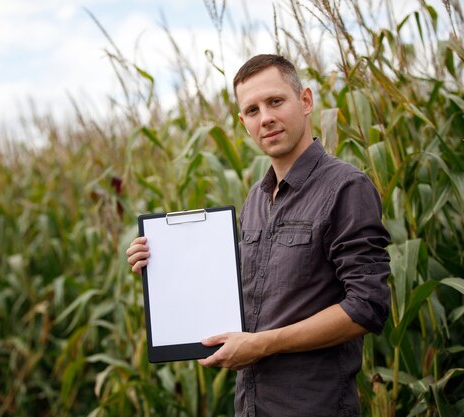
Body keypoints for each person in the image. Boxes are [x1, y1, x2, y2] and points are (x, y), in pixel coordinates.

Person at [126, 54, 391, 417]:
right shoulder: (256, 199)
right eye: (252, 110)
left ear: (306, 101)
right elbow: (234, 290)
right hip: (251, 407)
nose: (265, 117)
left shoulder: (346, 187)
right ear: (243, 122)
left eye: (275, 101)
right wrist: (161, 267)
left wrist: (262, 345)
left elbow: (367, 307)